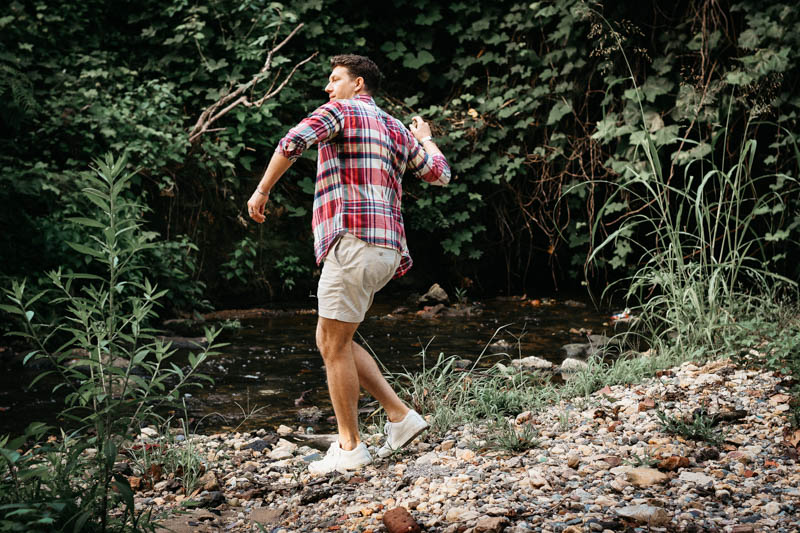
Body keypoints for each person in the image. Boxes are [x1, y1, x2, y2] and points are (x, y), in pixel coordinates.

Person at [246, 54, 451, 475]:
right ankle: (400, 417)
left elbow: (292, 142)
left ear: (358, 84)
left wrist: (262, 190)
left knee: (331, 343)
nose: (327, 87)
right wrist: (427, 137)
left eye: (334, 79)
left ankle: (350, 446)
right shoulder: (395, 127)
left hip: (353, 240)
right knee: (337, 337)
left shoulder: (340, 110)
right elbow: (439, 174)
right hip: (387, 250)